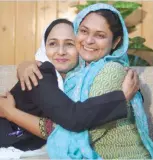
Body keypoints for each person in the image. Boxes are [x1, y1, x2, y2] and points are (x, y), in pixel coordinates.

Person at [16, 3, 153, 159]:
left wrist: (11, 112)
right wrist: (26, 65)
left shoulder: (111, 72)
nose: (88, 40)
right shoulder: (76, 74)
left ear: (115, 42)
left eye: (100, 35)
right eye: (83, 31)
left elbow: (74, 133)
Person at [0, 19, 136, 152]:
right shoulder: (41, 73)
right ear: (44, 47)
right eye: (53, 44)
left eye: (69, 44)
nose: (61, 51)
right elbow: (71, 120)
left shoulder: (78, 81)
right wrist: (121, 98)